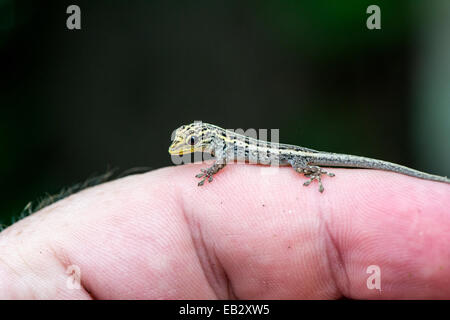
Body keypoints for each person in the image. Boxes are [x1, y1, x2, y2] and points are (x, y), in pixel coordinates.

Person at [0, 163, 449, 299]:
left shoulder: (216, 149)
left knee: (300, 165)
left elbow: (220, 165)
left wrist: (207, 175)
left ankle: (314, 172)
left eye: (184, 143)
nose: (179, 150)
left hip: (291, 155)